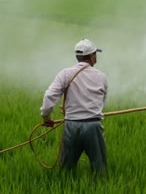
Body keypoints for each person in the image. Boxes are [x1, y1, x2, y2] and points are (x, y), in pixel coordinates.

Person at [40, 39, 108, 175]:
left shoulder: (65, 73)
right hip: (93, 126)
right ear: (92, 56)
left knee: (66, 170)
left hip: (71, 125)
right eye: (95, 54)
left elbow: (49, 96)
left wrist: (46, 117)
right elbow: (102, 102)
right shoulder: (101, 77)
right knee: (100, 170)